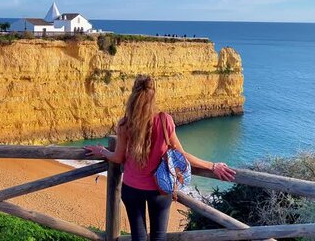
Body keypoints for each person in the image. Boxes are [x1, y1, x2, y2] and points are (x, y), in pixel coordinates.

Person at [85, 75, 236, 241]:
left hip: (131, 189)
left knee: (138, 237)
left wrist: (102, 152)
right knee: (158, 237)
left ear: (133, 96)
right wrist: (212, 166)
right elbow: (182, 155)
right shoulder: (165, 120)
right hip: (160, 189)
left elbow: (118, 157)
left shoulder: (124, 124)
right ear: (154, 95)